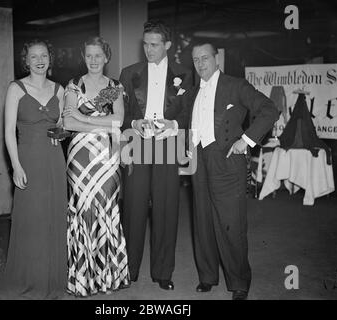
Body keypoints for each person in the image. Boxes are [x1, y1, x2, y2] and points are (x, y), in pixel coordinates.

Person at [176, 41, 279, 300]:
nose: (200, 64)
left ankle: (239, 282)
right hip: (199, 161)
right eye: (196, 60)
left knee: (231, 224)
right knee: (203, 221)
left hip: (227, 161)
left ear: (216, 59)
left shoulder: (236, 85)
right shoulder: (192, 93)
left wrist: (246, 140)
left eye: (205, 58)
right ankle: (207, 277)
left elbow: (269, 110)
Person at [0, 40, 67, 299]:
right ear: (26, 61)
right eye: (33, 56)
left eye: (43, 55)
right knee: (31, 221)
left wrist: (60, 133)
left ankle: (52, 281)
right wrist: (15, 166)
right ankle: (28, 279)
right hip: (28, 161)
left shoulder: (60, 90)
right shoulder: (16, 88)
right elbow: (8, 132)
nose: (39, 60)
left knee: (53, 219)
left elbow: (62, 124)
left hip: (54, 161)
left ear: (49, 58)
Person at [119, 20, 192, 290]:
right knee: (133, 208)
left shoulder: (185, 75)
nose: (148, 50)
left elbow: (187, 113)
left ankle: (163, 272)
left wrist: (174, 125)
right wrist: (132, 124)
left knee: (166, 209)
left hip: (168, 145)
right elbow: (121, 112)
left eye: (154, 45)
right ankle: (129, 269)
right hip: (138, 144)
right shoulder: (128, 73)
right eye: (145, 44)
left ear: (168, 46)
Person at [62, 36, 130, 297]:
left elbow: (120, 119)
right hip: (79, 157)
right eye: (89, 55)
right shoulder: (74, 85)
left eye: (98, 55)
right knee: (82, 210)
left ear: (106, 57)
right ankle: (83, 279)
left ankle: (107, 277)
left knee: (106, 208)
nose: (93, 60)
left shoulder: (114, 87)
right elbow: (69, 124)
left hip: (106, 156)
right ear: (84, 57)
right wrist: (98, 122)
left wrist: (81, 116)